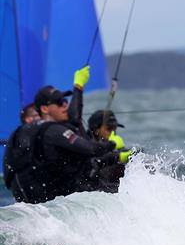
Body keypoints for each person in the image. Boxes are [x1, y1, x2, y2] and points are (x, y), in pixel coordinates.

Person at [4, 79, 133, 203]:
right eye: (59, 102)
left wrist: (78, 87)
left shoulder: (24, 131)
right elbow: (91, 149)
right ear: (44, 109)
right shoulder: (53, 131)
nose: (65, 105)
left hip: (32, 201)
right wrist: (113, 144)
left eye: (65, 101)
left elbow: (74, 120)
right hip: (47, 201)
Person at [86, 109, 128, 191]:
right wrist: (116, 157)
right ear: (96, 130)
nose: (113, 132)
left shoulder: (116, 147)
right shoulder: (85, 147)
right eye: (109, 129)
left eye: (114, 129)